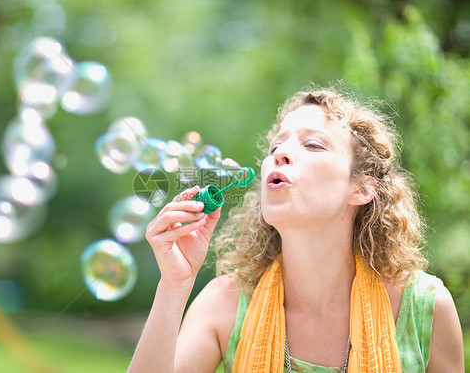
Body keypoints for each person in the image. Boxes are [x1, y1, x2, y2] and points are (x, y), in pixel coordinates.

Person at [127, 87, 464, 372]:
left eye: (313, 145)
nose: (281, 154)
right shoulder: (224, 304)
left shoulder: (426, 307)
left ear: (361, 189)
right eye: (275, 147)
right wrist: (175, 284)